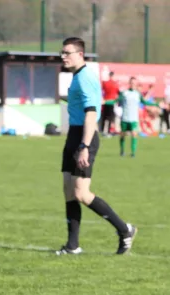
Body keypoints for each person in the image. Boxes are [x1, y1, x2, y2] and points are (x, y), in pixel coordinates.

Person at [57, 37, 137, 256]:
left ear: (80, 54)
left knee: (82, 193)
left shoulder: (85, 78)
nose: (63, 56)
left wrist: (84, 145)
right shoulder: (76, 77)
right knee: (68, 190)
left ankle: (124, 229)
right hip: (74, 134)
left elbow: (91, 113)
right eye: (62, 53)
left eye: (68, 53)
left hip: (85, 136)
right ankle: (73, 245)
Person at [117, 77, 159, 157]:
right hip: (125, 118)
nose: (133, 84)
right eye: (131, 83)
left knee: (134, 134)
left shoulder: (137, 94)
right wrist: (105, 101)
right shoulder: (124, 93)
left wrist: (155, 104)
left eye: (134, 83)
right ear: (129, 83)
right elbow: (116, 101)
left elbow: (145, 102)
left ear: (136, 84)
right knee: (123, 135)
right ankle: (122, 151)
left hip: (133, 119)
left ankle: (133, 153)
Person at [100, 71, 119, 136]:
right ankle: (108, 131)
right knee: (110, 118)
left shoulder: (105, 83)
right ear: (113, 76)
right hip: (112, 102)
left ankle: (102, 130)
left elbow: (101, 91)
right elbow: (118, 92)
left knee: (104, 117)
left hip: (105, 102)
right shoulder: (115, 84)